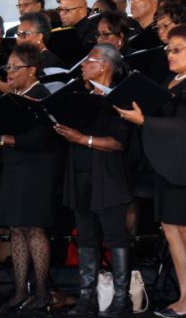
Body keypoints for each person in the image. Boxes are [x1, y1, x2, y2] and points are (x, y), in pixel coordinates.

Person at [116, 25, 186, 318]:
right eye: (168, 50)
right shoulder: (170, 81)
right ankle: (185, 296)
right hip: (167, 164)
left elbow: (184, 126)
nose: (170, 55)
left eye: (177, 49)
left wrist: (143, 121)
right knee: (171, 229)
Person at [0, 44, 64, 312]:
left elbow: (39, 138)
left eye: (15, 67)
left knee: (34, 228)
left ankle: (42, 292)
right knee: (15, 228)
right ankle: (19, 289)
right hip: (14, 165)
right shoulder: (14, 96)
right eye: (8, 67)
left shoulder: (40, 96)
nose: (9, 72)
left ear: (32, 70)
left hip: (38, 168)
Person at [54, 44, 133, 317]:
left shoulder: (120, 100)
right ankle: (87, 296)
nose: (83, 66)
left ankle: (122, 298)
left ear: (105, 66)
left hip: (108, 177)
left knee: (115, 236)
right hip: (78, 174)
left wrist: (81, 139)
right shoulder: (79, 96)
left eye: (89, 61)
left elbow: (118, 142)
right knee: (86, 237)